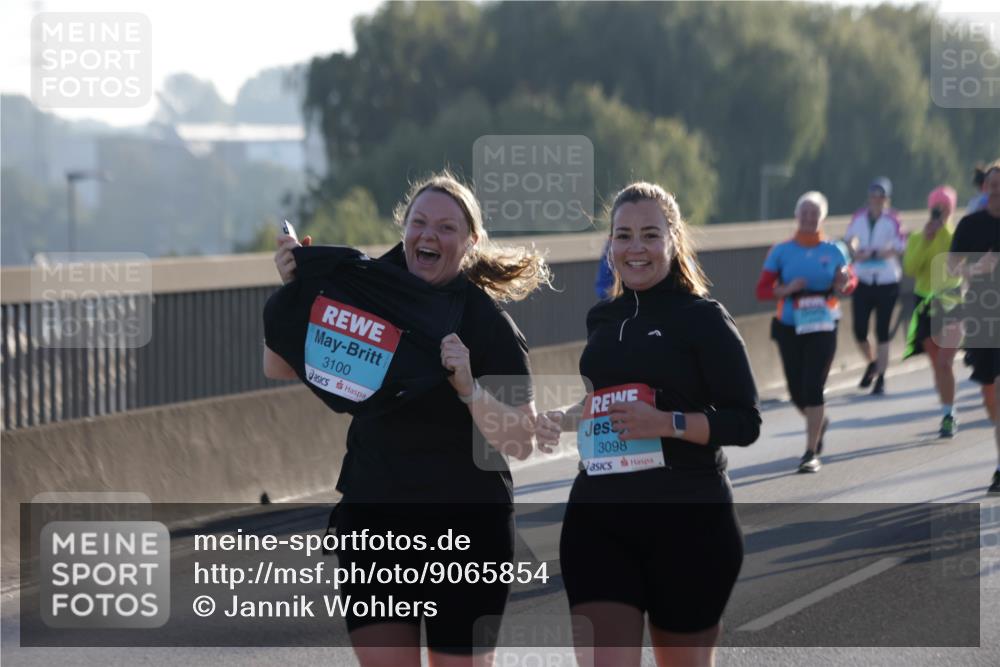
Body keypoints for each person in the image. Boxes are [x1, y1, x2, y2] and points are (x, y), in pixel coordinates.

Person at [266, 171, 552, 665]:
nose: (429, 236)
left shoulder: (487, 324)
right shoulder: (368, 291)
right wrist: (298, 290)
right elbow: (281, 365)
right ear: (404, 229)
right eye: (419, 222)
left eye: (446, 228)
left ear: (470, 242)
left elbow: (521, 441)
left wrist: (469, 388)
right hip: (375, 521)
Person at [535, 182, 761, 667]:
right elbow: (606, 400)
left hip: (688, 525)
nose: (635, 248)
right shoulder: (602, 317)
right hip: (599, 522)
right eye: (623, 235)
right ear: (610, 245)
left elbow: (745, 422)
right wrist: (567, 417)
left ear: (674, 239)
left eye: (649, 235)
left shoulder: (704, 318)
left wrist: (667, 422)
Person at [756, 191, 856, 473]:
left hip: (823, 324)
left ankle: (810, 451)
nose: (810, 219)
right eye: (805, 213)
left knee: (813, 386)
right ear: (797, 216)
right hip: (790, 324)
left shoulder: (834, 250)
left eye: (815, 214)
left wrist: (844, 282)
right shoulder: (781, 251)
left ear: (822, 218)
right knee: (796, 390)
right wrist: (787, 289)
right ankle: (818, 421)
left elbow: (850, 281)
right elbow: (762, 290)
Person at [948, 160, 1000, 495]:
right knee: (990, 392)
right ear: (985, 188)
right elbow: (952, 267)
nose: (996, 190)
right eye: (992, 185)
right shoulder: (969, 224)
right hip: (983, 315)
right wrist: (975, 270)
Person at [902, 185, 963, 438]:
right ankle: (947, 408)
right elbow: (911, 268)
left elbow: (958, 264)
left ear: (951, 209)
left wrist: (944, 234)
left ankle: (948, 415)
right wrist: (926, 241)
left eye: (946, 208)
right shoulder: (918, 236)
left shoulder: (956, 235)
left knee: (945, 362)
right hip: (924, 302)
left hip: (949, 301)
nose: (941, 213)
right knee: (936, 364)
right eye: (937, 208)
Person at [844, 177, 906, 395]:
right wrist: (855, 251)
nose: (876, 200)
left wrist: (882, 252)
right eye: (873, 196)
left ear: (886, 199)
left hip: (886, 280)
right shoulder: (859, 217)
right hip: (863, 278)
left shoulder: (893, 219)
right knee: (859, 329)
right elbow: (849, 238)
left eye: (880, 197)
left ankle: (881, 376)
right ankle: (872, 361)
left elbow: (901, 244)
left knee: (882, 330)